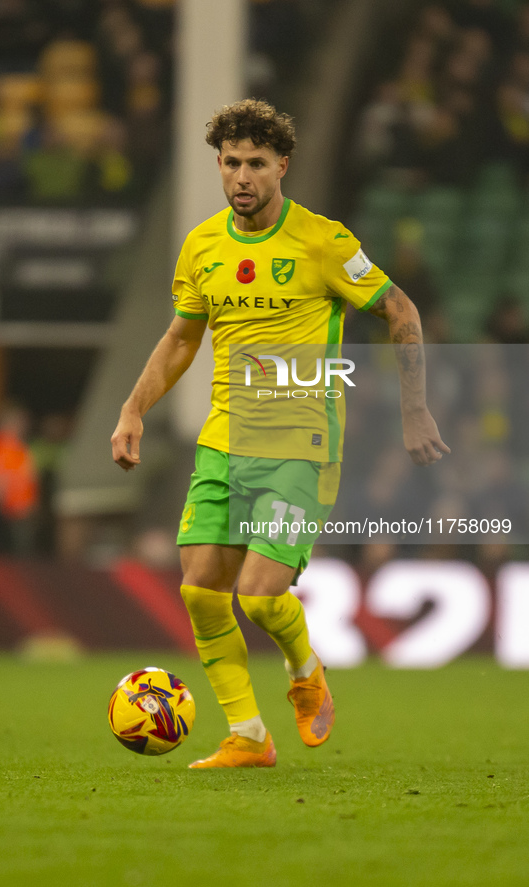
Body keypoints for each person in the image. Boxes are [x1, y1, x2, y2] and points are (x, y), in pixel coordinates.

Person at [111, 99, 449, 768]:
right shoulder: (203, 244)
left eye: (256, 164)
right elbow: (182, 337)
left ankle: (303, 669)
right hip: (222, 441)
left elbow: (399, 308)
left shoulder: (323, 241)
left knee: (260, 596)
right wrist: (132, 408)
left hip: (300, 444)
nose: (241, 176)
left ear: (281, 166)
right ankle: (248, 735)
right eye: (231, 163)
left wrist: (415, 407)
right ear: (219, 165)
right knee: (201, 589)